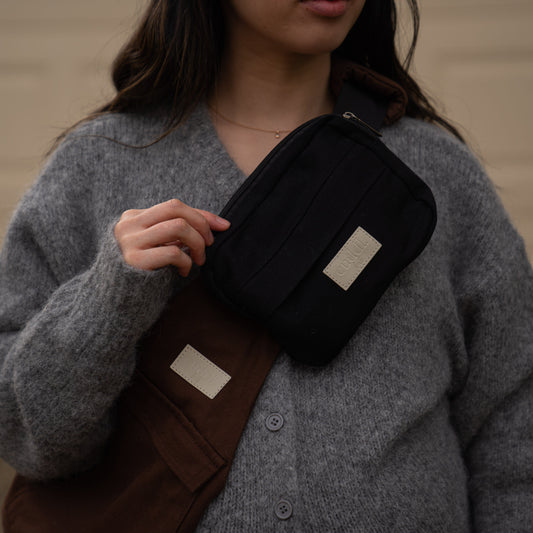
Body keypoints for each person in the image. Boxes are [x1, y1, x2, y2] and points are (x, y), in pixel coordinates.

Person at [1, 0, 532, 531]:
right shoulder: (98, 165)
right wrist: (107, 300)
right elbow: (24, 435)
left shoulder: (438, 177)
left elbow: (515, 430)